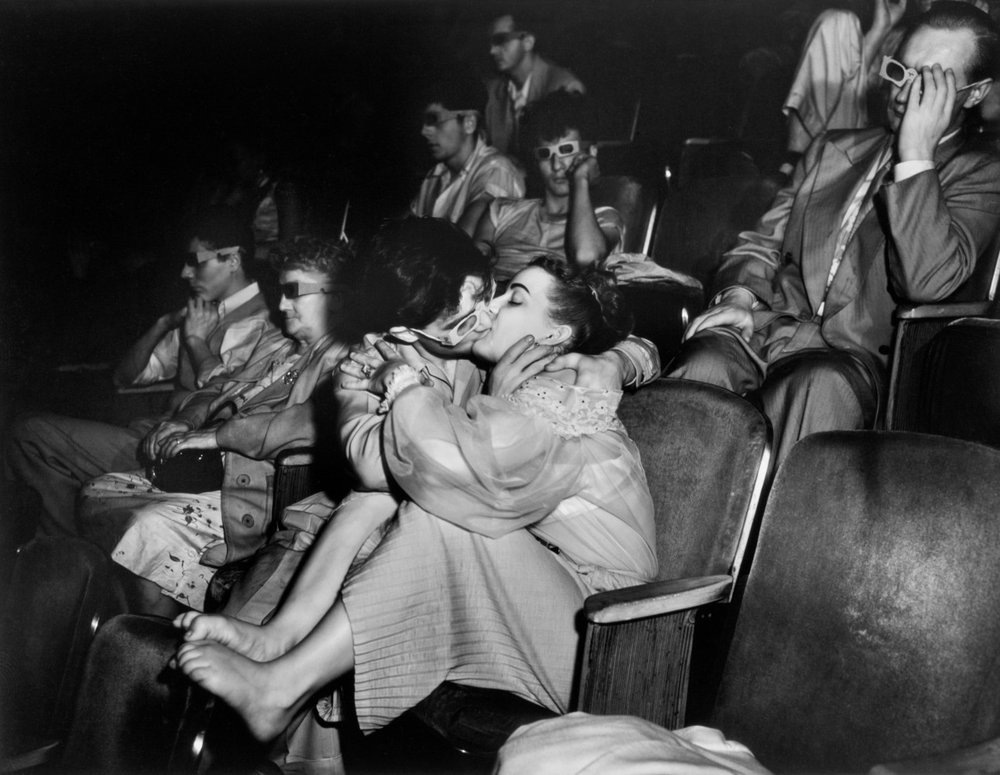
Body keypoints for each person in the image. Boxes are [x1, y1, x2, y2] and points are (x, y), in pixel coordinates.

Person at [171, 256, 656, 743]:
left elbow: (452, 468)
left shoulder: (566, 388)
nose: (491, 306)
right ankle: (279, 638)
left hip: (604, 628)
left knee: (430, 509)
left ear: (554, 335)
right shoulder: (508, 383)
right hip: (536, 591)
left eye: (515, 299)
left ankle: (282, 686)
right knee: (377, 496)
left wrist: (400, 383)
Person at [668, 1, 1000, 466]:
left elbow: (925, 282)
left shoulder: (984, 174)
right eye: (901, 70)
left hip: (857, 360)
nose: (903, 91)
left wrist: (916, 157)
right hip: (768, 328)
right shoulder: (833, 148)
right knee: (702, 360)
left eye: (928, 80)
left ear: (972, 93)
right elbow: (762, 243)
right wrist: (740, 298)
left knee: (813, 386)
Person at [75, 237, 357, 614]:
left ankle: (148, 639)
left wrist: (213, 436)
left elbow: (306, 422)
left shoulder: (350, 356)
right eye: (281, 291)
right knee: (97, 490)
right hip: (217, 478)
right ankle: (135, 621)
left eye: (293, 292)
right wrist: (186, 422)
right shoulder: (281, 345)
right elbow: (219, 386)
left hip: (264, 495)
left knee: (146, 527)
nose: (282, 303)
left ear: (336, 297)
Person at [6, 207, 279, 537]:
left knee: (29, 434)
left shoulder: (264, 321)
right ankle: (76, 548)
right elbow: (125, 377)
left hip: (186, 451)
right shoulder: (201, 313)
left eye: (196, 260)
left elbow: (229, 392)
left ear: (233, 259)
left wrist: (194, 340)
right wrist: (163, 324)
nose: (184, 272)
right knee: (34, 434)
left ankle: (74, 556)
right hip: (153, 431)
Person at [474, 91, 624, 285]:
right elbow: (470, 267)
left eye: (567, 150)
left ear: (591, 152)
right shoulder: (501, 211)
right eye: (545, 154)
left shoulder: (605, 219)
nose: (556, 166)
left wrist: (581, 178)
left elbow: (586, 257)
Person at [410, 75, 525, 236]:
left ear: (469, 123)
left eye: (434, 119)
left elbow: (465, 244)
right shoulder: (435, 175)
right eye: (423, 121)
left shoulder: (496, 171)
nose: (424, 131)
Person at [484, 12, 585, 155]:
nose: (492, 50)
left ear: (528, 42)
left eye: (500, 40)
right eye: (491, 42)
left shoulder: (565, 86)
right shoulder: (493, 91)